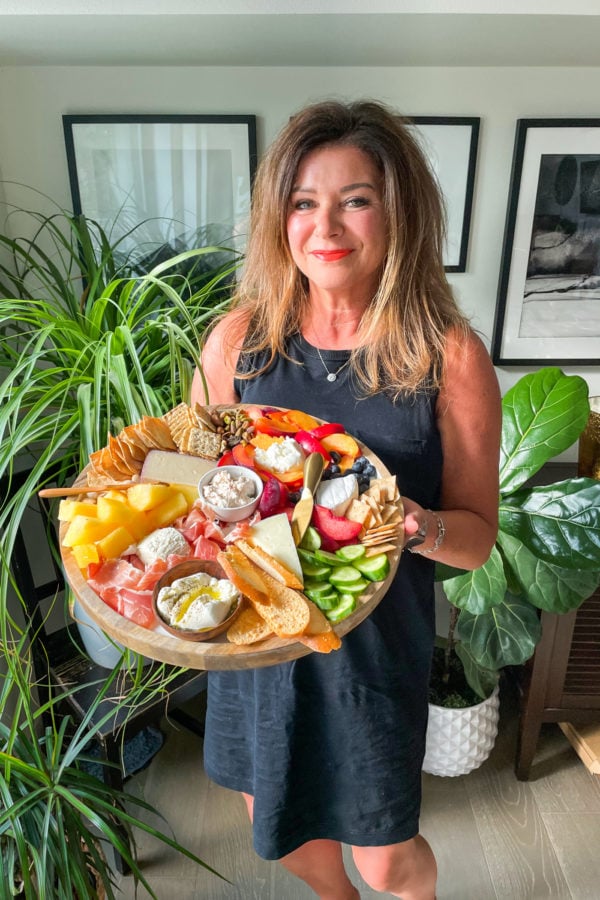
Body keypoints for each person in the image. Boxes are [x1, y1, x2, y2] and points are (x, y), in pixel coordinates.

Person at [191, 99, 501, 900]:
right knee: (276, 820)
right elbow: (191, 479)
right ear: (279, 218)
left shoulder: (447, 356)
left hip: (367, 655)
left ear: (398, 214)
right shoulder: (239, 341)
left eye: (355, 199)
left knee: (386, 854)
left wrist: (415, 524)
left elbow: (472, 542)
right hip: (257, 644)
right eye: (304, 201)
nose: (325, 225)